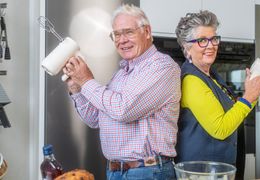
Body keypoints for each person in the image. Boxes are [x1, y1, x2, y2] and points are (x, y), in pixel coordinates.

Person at [63, 4, 181, 180]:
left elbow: (123, 110)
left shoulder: (163, 67)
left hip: (148, 172)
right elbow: (96, 119)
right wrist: (77, 88)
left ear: (147, 31)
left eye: (128, 32)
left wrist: (87, 81)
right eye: (116, 34)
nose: (121, 40)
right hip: (115, 172)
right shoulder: (120, 75)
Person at [174, 10, 260, 177]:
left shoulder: (213, 77)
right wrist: (249, 96)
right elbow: (220, 128)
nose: (211, 45)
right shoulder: (191, 81)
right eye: (202, 40)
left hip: (217, 169)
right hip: (200, 171)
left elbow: (235, 113)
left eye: (213, 38)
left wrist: (253, 92)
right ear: (187, 48)